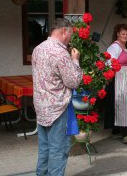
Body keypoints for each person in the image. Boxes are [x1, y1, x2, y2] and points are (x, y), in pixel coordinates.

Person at [32, 18, 83, 176]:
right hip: (57, 108)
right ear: (64, 32)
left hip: (41, 106)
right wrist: (75, 60)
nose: (70, 39)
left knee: (45, 149)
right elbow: (73, 81)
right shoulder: (60, 53)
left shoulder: (38, 49)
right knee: (58, 151)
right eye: (71, 35)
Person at [104, 24, 127, 144]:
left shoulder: (125, 47)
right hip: (119, 79)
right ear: (118, 34)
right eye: (123, 33)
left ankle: (116, 130)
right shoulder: (114, 47)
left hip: (126, 78)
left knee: (124, 102)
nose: (125, 36)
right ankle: (125, 134)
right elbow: (110, 63)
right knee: (122, 102)